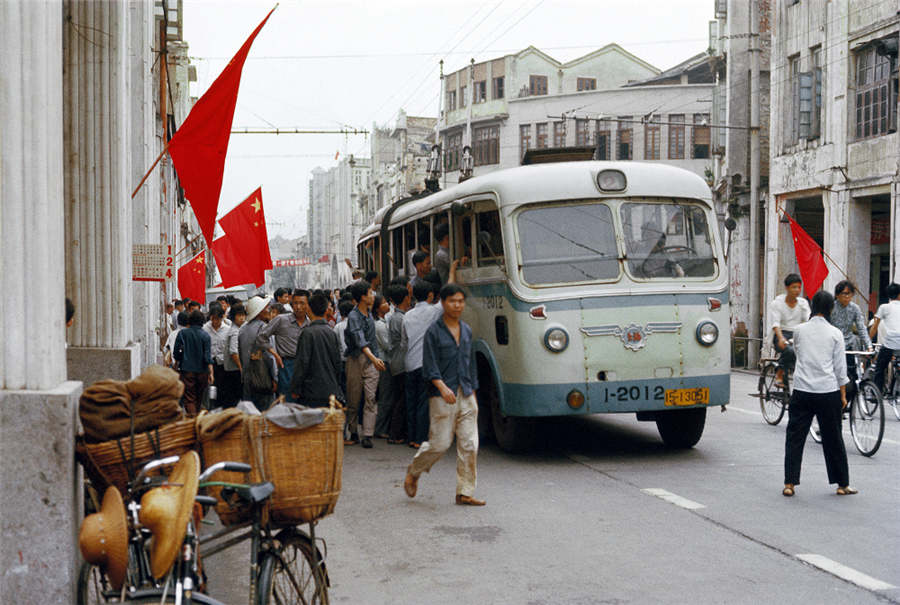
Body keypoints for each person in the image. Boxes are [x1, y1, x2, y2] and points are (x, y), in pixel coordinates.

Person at [404, 284, 484, 506]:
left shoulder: (466, 330)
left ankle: (465, 492)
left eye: (460, 301)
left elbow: (470, 363)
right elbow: (429, 365)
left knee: (469, 444)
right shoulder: (433, 332)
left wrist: (473, 391)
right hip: (441, 395)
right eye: (452, 301)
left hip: (466, 392)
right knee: (440, 444)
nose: (457, 305)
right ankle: (415, 470)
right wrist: (441, 387)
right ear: (443, 303)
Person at [783, 290, 856, 497]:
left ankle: (790, 483)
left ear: (813, 307)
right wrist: (843, 394)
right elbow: (840, 368)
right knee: (833, 439)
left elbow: (798, 353)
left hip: (802, 390)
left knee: (795, 437)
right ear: (831, 308)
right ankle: (842, 484)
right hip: (827, 390)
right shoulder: (835, 333)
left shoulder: (799, 330)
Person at [401, 279, 442, 448]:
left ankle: (411, 437)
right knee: (423, 403)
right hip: (425, 363)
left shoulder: (407, 315)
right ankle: (419, 439)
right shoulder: (433, 311)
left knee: (411, 402)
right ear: (430, 295)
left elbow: (404, 342)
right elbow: (447, 296)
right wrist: (452, 271)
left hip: (410, 363)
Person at [344, 280, 385, 448]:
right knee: (353, 398)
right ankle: (353, 430)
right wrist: (374, 359)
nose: (373, 295)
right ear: (362, 297)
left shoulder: (369, 314)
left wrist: (375, 358)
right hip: (356, 359)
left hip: (371, 360)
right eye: (370, 293)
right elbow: (360, 341)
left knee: (370, 398)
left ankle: (368, 434)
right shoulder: (354, 316)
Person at [289, 293, 344, 407]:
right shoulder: (331, 332)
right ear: (326, 310)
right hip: (330, 389)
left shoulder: (307, 333)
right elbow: (337, 363)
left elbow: (302, 363)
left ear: (308, 309)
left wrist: (295, 388)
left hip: (311, 392)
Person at [258, 289, 309, 400]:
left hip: (305, 366)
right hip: (286, 365)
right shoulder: (281, 320)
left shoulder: (310, 324)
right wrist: (275, 354)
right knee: (287, 399)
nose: (298, 307)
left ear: (308, 305)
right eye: (295, 303)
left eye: (302, 303)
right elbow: (261, 337)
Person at [830, 280, 871, 401]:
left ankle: (849, 402)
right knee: (833, 378)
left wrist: (869, 346)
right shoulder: (831, 307)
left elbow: (861, 328)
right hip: (833, 347)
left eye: (849, 294)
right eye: (844, 294)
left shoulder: (855, 308)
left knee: (853, 377)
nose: (847, 297)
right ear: (837, 295)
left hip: (848, 346)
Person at [769, 273, 810, 387]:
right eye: (794, 287)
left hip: (798, 334)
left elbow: (808, 320)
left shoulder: (803, 303)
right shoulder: (778, 303)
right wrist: (781, 338)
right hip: (782, 334)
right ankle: (779, 373)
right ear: (787, 288)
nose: (797, 290)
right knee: (790, 350)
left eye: (799, 287)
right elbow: (775, 323)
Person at [239, 296, 277, 410]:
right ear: (260, 312)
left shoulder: (243, 329)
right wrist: (275, 378)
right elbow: (270, 357)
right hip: (263, 379)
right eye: (266, 308)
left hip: (247, 379)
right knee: (266, 412)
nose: (269, 310)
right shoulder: (265, 329)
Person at [173, 310, 213, 417]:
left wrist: (178, 361)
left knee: (189, 398)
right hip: (202, 371)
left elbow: (176, 352)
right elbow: (207, 357)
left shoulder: (182, 333)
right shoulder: (206, 336)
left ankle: (192, 418)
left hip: (187, 370)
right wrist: (211, 373)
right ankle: (197, 417)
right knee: (199, 397)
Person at [385, 284, 411, 444]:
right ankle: (395, 434)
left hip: (396, 361)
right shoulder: (400, 319)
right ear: (405, 298)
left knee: (399, 398)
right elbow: (405, 342)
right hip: (400, 363)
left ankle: (396, 432)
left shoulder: (397, 317)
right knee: (401, 400)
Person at [869, 282, 900, 395]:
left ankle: (877, 394)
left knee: (880, 368)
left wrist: (868, 342)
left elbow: (874, 327)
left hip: (890, 344)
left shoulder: (884, 307)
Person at [372, 294, 393, 439]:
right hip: (383, 362)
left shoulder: (382, 322)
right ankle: (380, 428)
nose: (388, 305)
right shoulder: (379, 325)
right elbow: (388, 346)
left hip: (381, 361)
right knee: (385, 396)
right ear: (378, 308)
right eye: (384, 303)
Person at [203, 303, 230, 406]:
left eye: (217, 319)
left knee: (222, 387)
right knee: (210, 389)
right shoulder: (205, 329)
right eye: (213, 318)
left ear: (222, 317)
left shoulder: (227, 330)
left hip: (222, 364)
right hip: (208, 363)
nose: (215, 321)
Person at [221, 302, 246, 407]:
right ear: (233, 317)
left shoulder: (237, 329)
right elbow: (233, 352)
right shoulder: (235, 331)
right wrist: (241, 368)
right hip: (234, 370)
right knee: (235, 398)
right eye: (239, 315)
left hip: (231, 369)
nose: (242, 318)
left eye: (243, 315)